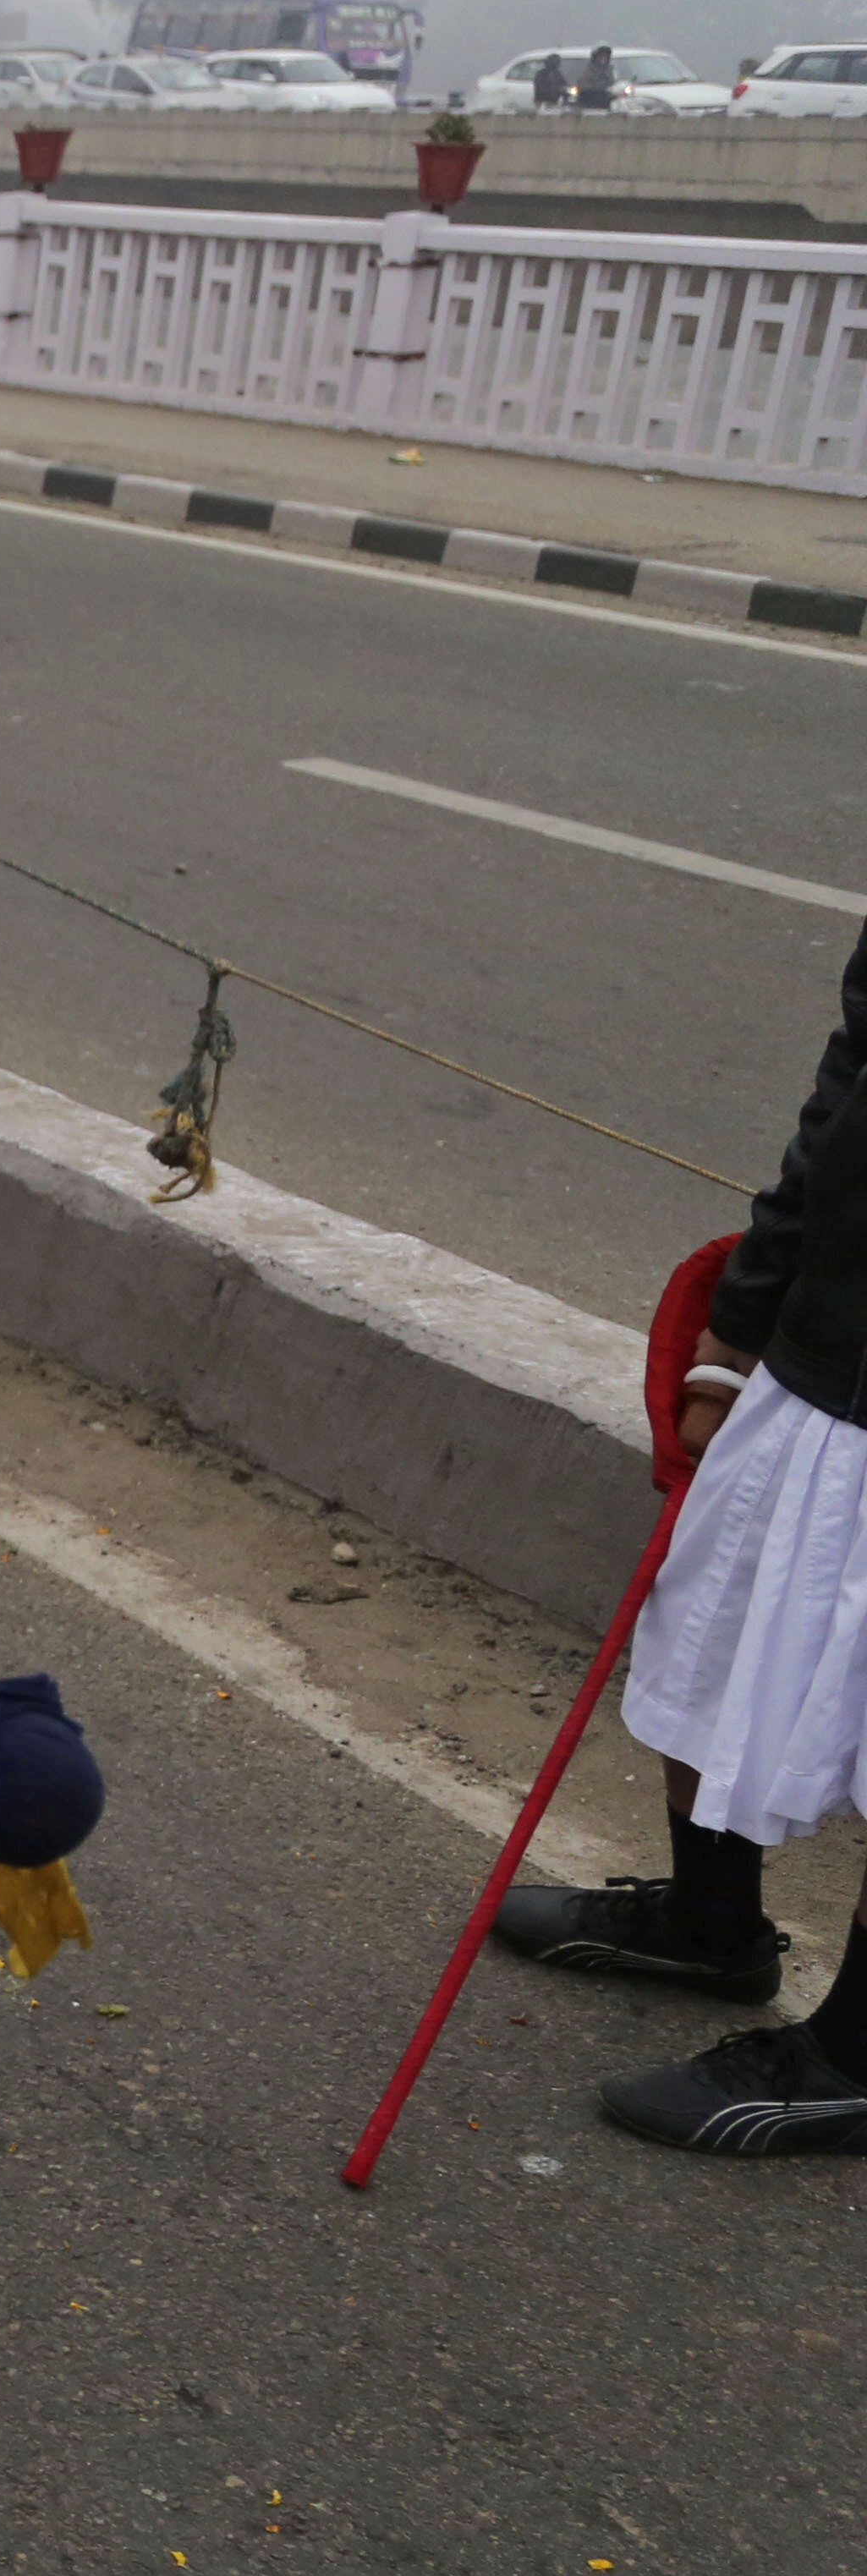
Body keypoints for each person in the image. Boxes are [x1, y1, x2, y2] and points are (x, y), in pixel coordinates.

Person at [492, 913, 867, 2154]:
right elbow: (846, 1079)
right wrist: (743, 1321)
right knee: (707, 1622)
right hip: (826, 1350)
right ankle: (715, 1928)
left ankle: (859, 2056)